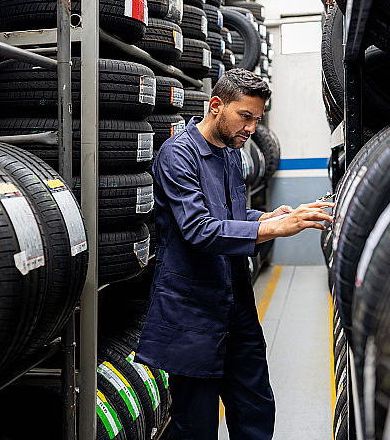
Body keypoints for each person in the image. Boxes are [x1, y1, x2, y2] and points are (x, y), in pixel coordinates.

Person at [135, 68, 334, 439]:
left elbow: (231, 216)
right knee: (197, 424)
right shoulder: (178, 156)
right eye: (245, 116)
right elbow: (199, 228)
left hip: (235, 299)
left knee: (255, 407)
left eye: (257, 119)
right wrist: (270, 229)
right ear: (216, 106)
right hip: (192, 306)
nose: (252, 128)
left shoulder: (230, 153)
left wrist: (269, 216)